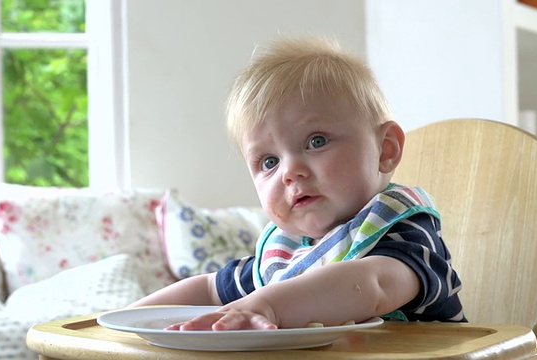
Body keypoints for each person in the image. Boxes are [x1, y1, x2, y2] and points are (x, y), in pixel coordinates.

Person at [130, 35, 466, 331]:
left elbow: (372, 285)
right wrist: (127, 320)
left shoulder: (404, 232)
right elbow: (207, 290)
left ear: (385, 149)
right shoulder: (287, 253)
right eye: (269, 162)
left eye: (316, 141)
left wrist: (268, 305)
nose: (289, 172)